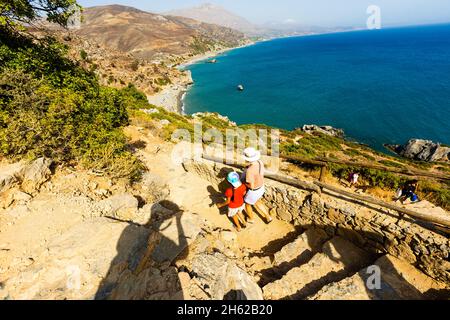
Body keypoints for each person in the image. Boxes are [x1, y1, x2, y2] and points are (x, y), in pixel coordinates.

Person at [241, 147, 273, 224]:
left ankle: (251, 219)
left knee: (247, 204)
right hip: (261, 187)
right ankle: (268, 217)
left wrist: (244, 183)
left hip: (254, 190)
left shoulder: (249, 171)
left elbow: (251, 186)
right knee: (258, 201)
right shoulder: (259, 162)